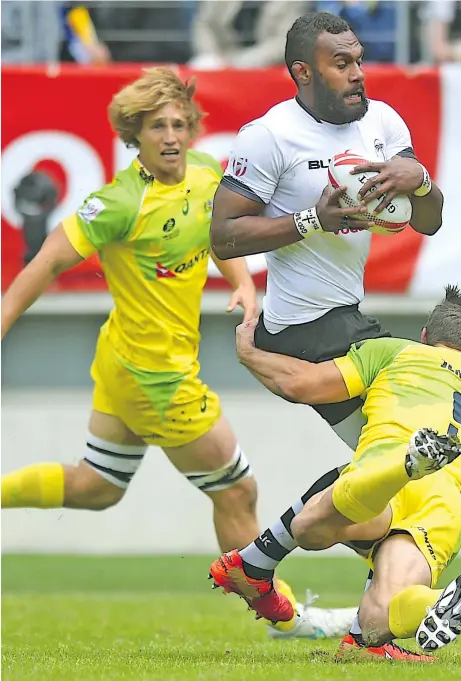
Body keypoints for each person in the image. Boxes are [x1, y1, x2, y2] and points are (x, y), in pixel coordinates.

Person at [0, 67, 356, 640]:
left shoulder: (205, 173)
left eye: (180, 124)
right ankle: (282, 617)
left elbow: (222, 235)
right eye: (157, 126)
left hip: (123, 364)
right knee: (236, 490)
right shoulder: (118, 203)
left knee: (97, 487)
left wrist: (240, 280)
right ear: (133, 135)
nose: (171, 136)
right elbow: (45, 261)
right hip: (155, 378)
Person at [210, 10, 444, 656]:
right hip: (302, 332)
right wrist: (311, 218)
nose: (357, 74)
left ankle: (257, 563)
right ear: (303, 72)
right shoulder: (269, 137)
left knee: (385, 491)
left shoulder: (384, 124)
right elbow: (223, 235)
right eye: (341, 64)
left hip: (349, 321)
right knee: (405, 480)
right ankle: (367, 625)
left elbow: (428, 221)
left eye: (358, 60)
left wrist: (418, 179)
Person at [210, 285, 461, 661]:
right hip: (443, 509)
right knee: (376, 622)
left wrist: (249, 354)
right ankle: (434, 604)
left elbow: (300, 384)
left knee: (310, 530)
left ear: (425, 335)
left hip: (383, 475)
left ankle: (403, 466)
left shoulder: (396, 352)